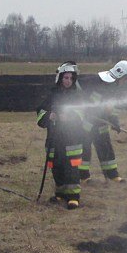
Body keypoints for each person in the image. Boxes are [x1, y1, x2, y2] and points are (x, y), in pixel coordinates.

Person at [36, 61, 85, 210]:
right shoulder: (52, 95)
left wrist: (70, 118)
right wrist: (49, 117)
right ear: (60, 78)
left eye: (71, 78)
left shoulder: (77, 96)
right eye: (66, 78)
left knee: (71, 167)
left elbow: (82, 114)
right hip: (54, 139)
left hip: (71, 140)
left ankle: (73, 196)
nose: (68, 81)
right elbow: (40, 112)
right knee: (56, 166)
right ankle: (61, 193)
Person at [77, 60, 127, 183]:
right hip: (85, 123)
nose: (126, 82)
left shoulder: (115, 88)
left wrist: (115, 122)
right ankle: (83, 176)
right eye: (126, 79)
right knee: (84, 149)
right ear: (119, 74)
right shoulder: (95, 81)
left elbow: (112, 108)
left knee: (106, 148)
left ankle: (112, 175)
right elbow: (76, 88)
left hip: (101, 123)